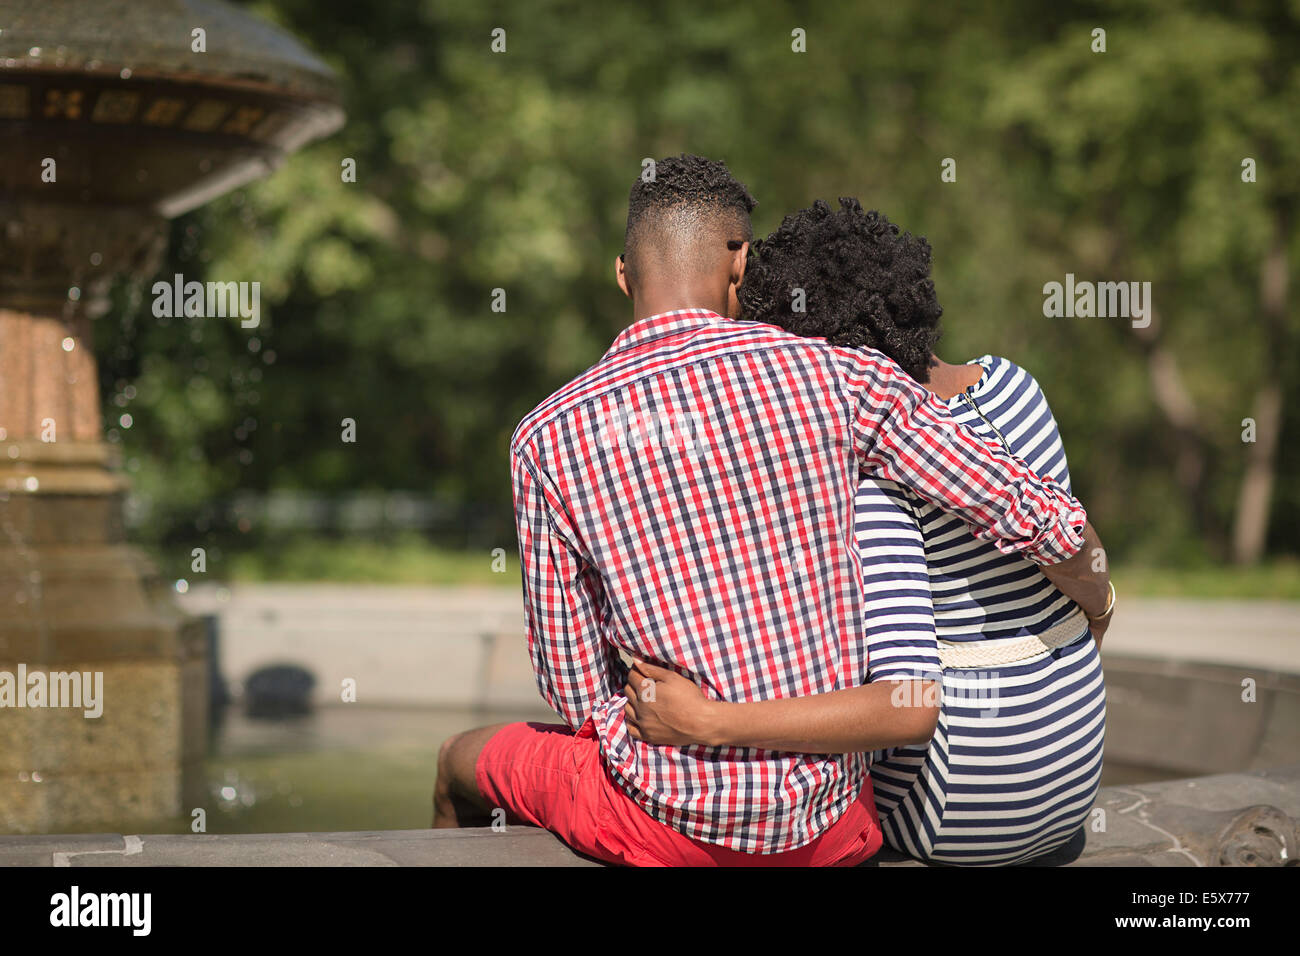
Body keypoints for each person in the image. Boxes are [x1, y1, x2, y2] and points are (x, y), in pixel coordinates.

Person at [433, 157, 1106, 867]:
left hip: (664, 826)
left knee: (459, 760)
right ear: (742, 261)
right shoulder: (841, 378)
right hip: (833, 827)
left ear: (623, 273)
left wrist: (669, 731)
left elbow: (572, 689)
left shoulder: (546, 435)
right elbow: (1044, 517)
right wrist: (1097, 605)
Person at [623, 198, 1111, 865]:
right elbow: (1082, 567)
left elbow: (908, 703)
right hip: (1073, 775)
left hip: (958, 810)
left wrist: (711, 721)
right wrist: (1101, 601)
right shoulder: (1016, 386)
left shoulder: (872, 476)